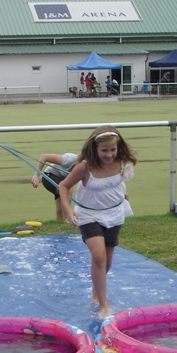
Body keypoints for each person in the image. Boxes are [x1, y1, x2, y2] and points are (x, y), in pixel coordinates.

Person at [59, 126, 138, 319]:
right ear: (95, 149)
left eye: (112, 150)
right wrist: (68, 209)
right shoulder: (84, 167)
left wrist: (122, 194)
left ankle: (97, 290)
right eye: (104, 150)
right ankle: (104, 305)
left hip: (115, 213)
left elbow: (117, 182)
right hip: (89, 215)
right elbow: (63, 186)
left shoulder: (121, 162)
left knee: (107, 260)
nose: (109, 154)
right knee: (99, 256)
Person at [31, 152, 78, 220]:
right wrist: (36, 175)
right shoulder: (69, 159)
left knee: (60, 213)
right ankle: (68, 219)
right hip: (49, 177)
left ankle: (61, 225)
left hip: (62, 181)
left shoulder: (87, 166)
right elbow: (44, 157)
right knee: (68, 188)